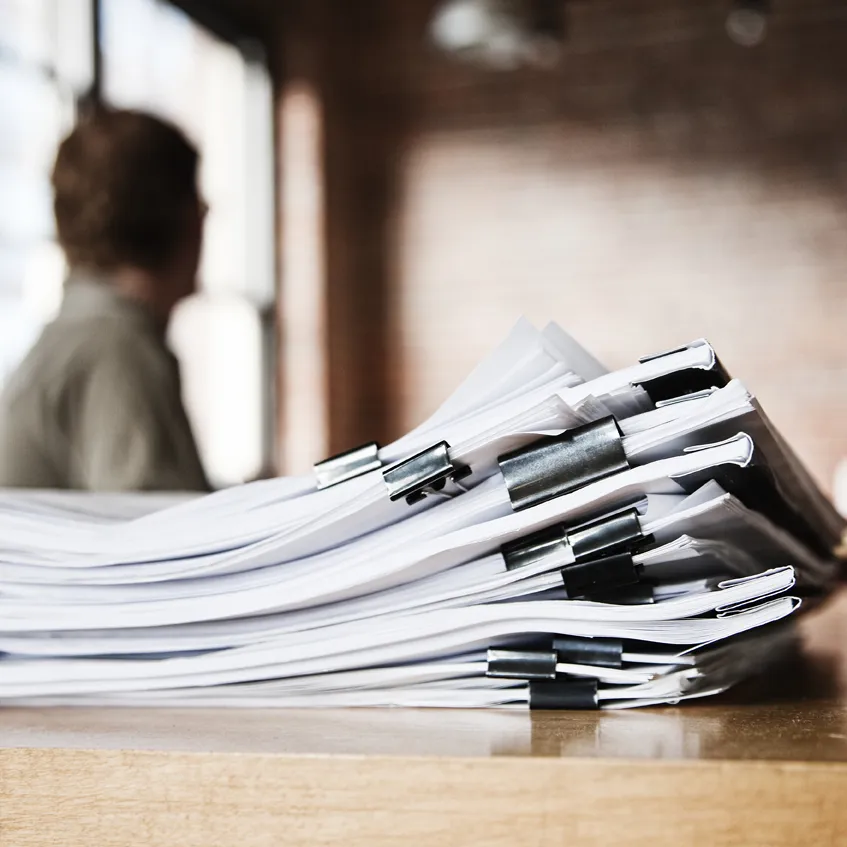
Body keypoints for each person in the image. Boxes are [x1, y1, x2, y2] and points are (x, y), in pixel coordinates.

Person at [0, 107, 209, 491]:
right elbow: (168, 543)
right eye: (200, 206)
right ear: (180, 218)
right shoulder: (116, 350)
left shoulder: (79, 339)